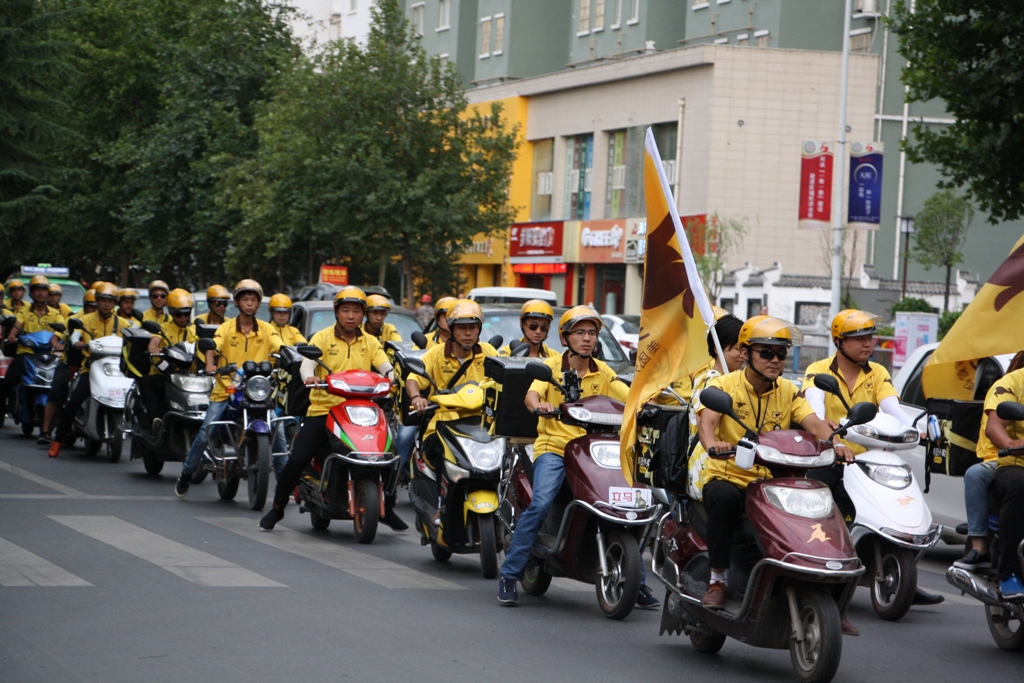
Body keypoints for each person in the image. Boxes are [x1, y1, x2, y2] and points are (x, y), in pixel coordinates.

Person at [694, 316, 857, 630]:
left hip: (773, 481)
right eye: (766, 352)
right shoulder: (723, 385)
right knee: (723, 498)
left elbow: (813, 422)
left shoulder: (789, 390)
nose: (775, 360)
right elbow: (708, 422)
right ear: (747, 353)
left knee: (821, 508)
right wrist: (713, 444)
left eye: (781, 354)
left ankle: (831, 597)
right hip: (731, 475)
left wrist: (835, 443)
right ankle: (718, 579)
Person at [802, 309, 944, 612]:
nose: (867, 344)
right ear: (839, 342)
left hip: (870, 459)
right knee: (826, 500)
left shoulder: (877, 373)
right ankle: (823, 565)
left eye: (869, 338)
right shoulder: (818, 370)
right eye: (859, 339)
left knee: (901, 500)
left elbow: (894, 409)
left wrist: (919, 430)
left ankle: (903, 571)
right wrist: (834, 442)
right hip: (830, 456)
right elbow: (813, 412)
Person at [497, 306, 629, 606]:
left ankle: (636, 580)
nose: (587, 339)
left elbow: (626, 395)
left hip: (590, 452)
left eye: (592, 333)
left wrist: (649, 400)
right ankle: (510, 574)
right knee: (541, 502)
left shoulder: (603, 372)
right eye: (580, 333)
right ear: (565, 337)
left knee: (617, 503)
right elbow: (532, 395)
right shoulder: (552, 367)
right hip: (554, 448)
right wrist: (539, 406)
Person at [259, 286, 398, 530]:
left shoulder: (371, 342)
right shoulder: (321, 338)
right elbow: (306, 365)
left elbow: (384, 365)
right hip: (324, 410)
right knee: (298, 459)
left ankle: (387, 508)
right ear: (337, 312)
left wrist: (390, 374)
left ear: (363, 314)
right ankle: (277, 507)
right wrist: (310, 376)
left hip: (361, 412)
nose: (351, 316)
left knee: (389, 455)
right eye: (346, 310)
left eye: (356, 311)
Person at [175, 280, 282, 498]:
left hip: (257, 392)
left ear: (259, 303)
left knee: (278, 432)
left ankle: (286, 484)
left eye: (253, 299)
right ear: (236, 301)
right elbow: (213, 345)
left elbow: (279, 346)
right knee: (207, 431)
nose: (249, 303)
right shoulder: (226, 328)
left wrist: (289, 356)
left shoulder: (267, 329)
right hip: (227, 389)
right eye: (245, 299)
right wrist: (210, 363)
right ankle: (186, 473)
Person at [406, 300, 497, 522]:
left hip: (483, 427)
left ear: (479, 330)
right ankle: (441, 505)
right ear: (452, 329)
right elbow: (412, 379)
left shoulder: (490, 353)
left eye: (473, 328)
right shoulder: (436, 354)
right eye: (462, 328)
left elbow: (504, 378)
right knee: (441, 456)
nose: (468, 333)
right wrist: (417, 397)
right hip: (441, 426)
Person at [953, 354, 1024, 572]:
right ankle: (984, 551)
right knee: (981, 475)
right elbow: (994, 428)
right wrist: (1012, 445)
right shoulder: (1009, 385)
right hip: (1008, 460)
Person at [48, 284, 126, 457]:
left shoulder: (122, 323)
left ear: (115, 304)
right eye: (103, 300)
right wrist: (77, 342)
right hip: (91, 368)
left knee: (134, 397)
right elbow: (75, 333)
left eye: (110, 301)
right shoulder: (86, 320)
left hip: (116, 369)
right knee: (74, 401)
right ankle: (57, 441)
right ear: (97, 301)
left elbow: (133, 334)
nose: (106, 304)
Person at [684, 313, 746, 499]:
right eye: (737, 349)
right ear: (718, 348)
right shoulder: (711, 379)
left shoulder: (737, 380)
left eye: (745, 349)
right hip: (709, 468)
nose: (743, 355)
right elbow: (705, 421)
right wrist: (713, 445)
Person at [984, 367, 1024, 598]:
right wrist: (1009, 443)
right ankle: (1009, 572)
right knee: (1020, 485)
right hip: (1016, 464)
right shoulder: (1014, 382)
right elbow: (994, 426)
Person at [136, 289, 199, 430]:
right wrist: (154, 348)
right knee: (147, 381)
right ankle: (156, 420)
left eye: (186, 313)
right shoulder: (162, 329)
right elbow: (154, 341)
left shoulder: (193, 331)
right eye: (179, 313)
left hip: (187, 377)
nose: (183, 317)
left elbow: (201, 346)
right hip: (164, 374)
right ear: (171, 312)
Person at [0, 276, 65, 411]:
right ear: (31, 293)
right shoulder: (24, 312)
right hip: (26, 354)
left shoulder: (55, 313)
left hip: (48, 355)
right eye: (37, 290)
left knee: (63, 384)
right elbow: (17, 324)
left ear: (48, 293)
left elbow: (62, 327)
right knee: (8, 380)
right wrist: (12, 336)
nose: (40, 293)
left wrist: (57, 339)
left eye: (43, 290)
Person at [266, 293, 306, 476]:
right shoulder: (266, 329)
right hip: (271, 379)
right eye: (278, 312)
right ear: (272, 313)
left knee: (301, 415)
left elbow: (304, 346)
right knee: (275, 420)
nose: (282, 316)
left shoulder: (293, 331)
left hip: (292, 380)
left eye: (285, 312)